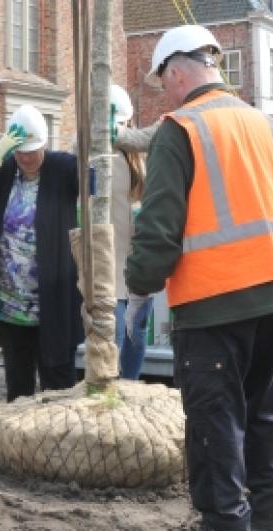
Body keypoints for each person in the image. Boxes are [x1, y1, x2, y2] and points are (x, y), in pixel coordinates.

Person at [125, 25, 273, 531]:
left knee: (214, 414)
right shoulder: (268, 126)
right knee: (264, 406)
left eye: (164, 84)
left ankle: (226, 526)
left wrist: (138, 290)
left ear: (177, 73)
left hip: (214, 298)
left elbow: (159, 224)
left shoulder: (181, 128)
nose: (166, 96)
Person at [0, 105, 84, 402]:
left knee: (59, 388)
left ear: (45, 144)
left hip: (52, 302)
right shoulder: (4, 170)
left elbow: (96, 180)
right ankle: (19, 448)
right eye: (21, 152)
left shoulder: (61, 168)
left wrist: (99, 143)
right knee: (18, 389)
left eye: (33, 151)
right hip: (11, 306)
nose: (27, 158)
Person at [108, 85, 152, 380]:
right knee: (114, 333)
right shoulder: (93, 154)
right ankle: (111, 388)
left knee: (137, 331)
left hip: (137, 261)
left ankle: (130, 385)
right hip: (108, 262)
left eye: (121, 124)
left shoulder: (139, 157)